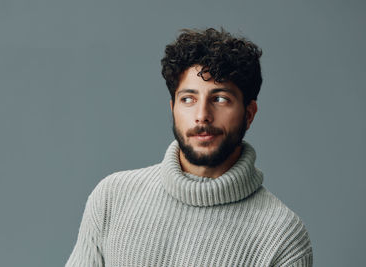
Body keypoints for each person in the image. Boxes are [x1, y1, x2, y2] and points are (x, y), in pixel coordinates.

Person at [65, 28, 313, 267]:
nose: (202, 115)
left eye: (220, 99)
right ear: (173, 108)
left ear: (249, 114)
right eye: (188, 99)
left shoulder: (282, 237)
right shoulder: (112, 198)